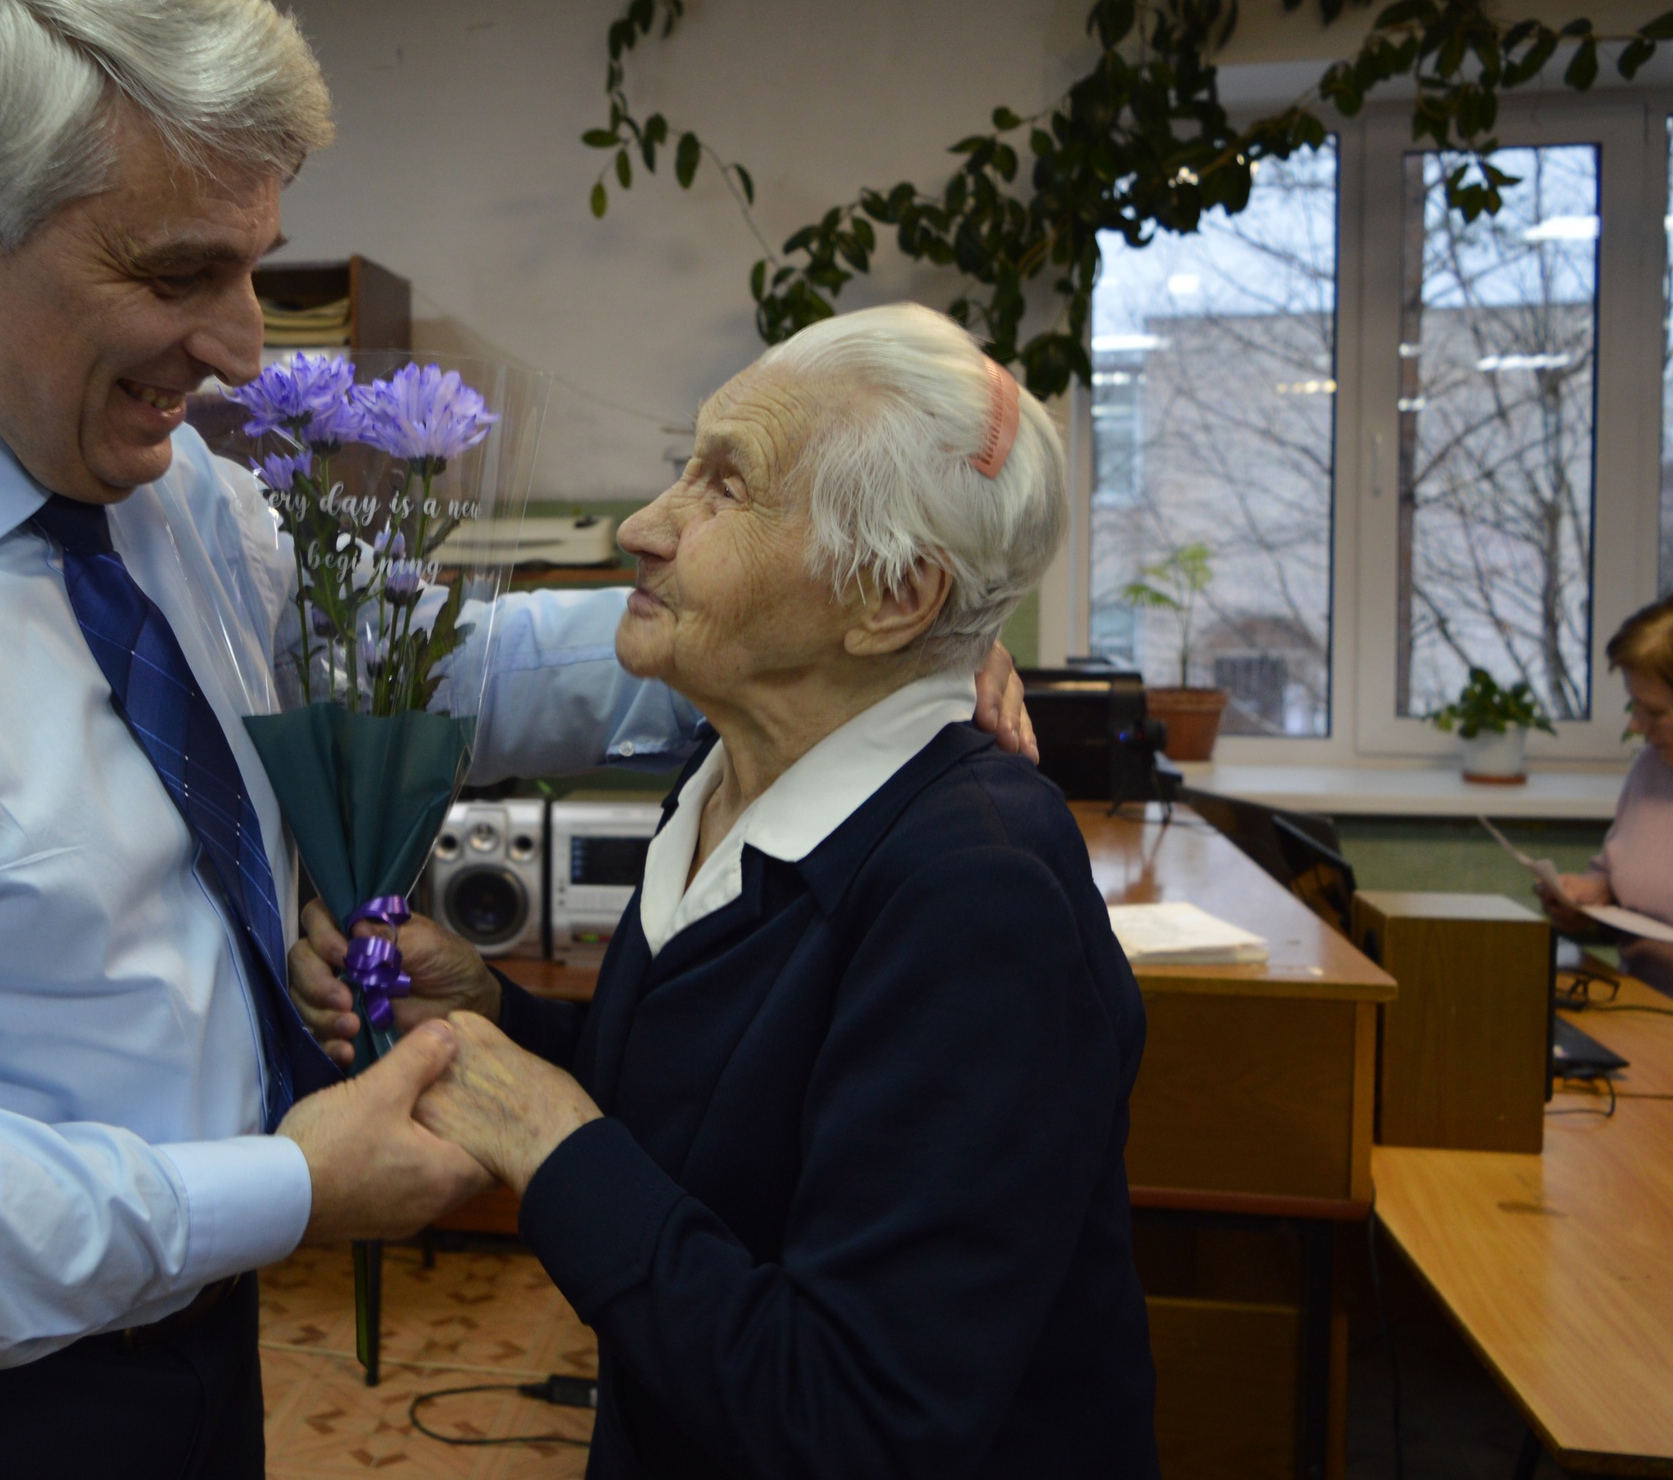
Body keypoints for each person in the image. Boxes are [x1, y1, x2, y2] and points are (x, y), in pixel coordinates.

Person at [0, 0, 1036, 1478]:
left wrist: (845, 648)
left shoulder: (165, 501)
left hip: (181, 1354)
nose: (236, 348)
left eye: (252, 262)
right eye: (180, 272)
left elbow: (419, 682)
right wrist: (283, 1187)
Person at [296, 305, 1159, 1478]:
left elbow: (859, 1421)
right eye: (679, 471)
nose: (640, 528)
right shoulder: (728, 776)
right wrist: (496, 1018)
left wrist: (547, 1138)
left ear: (893, 596)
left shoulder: (976, 892)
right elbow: (716, 1111)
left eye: (725, 487)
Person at [1539, 596, 1673, 995]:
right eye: (1634, 705)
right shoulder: (1650, 769)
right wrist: (1593, 895)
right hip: (1639, 1003)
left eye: (1654, 712)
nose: (1636, 725)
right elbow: (1619, 871)